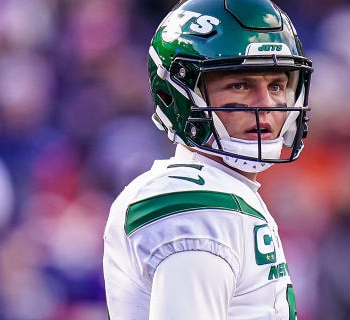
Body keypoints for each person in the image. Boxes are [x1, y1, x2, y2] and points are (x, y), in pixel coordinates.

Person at [102, 0, 312, 318]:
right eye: (239, 85)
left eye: (276, 85)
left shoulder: (226, 190)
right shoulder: (197, 203)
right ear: (178, 95)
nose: (266, 104)